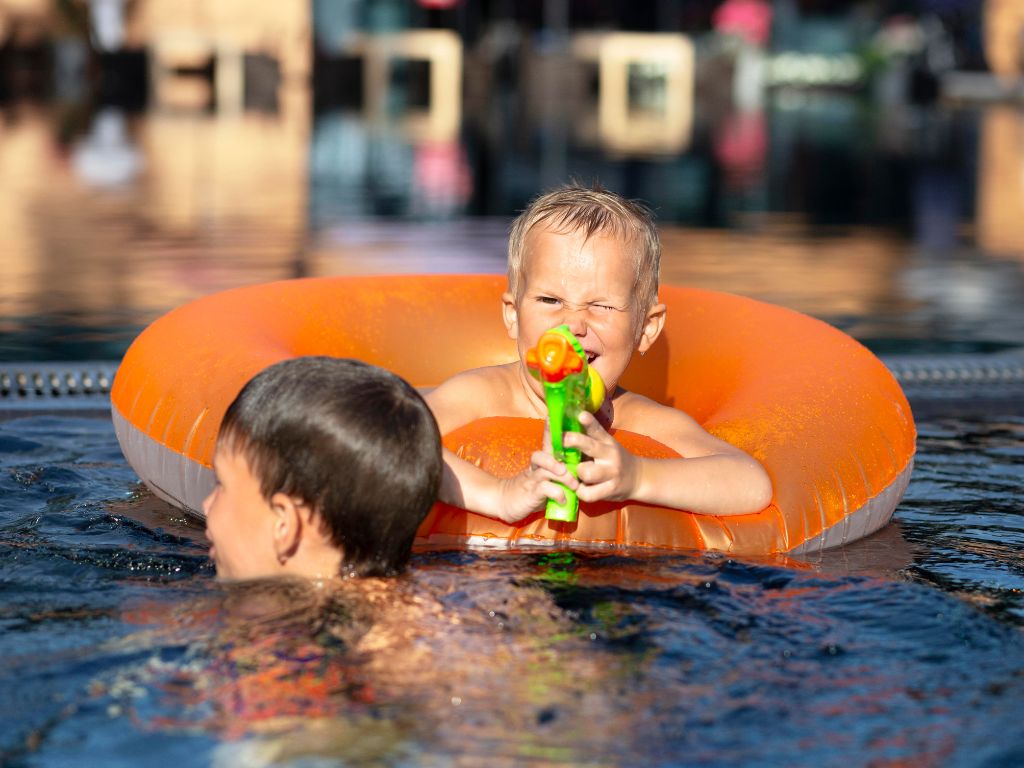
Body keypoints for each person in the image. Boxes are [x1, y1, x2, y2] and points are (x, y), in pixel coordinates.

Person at [426, 183, 773, 523]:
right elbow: (394, 437)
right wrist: (499, 495)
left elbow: (750, 483)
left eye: (602, 306)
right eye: (550, 300)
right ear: (513, 316)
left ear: (646, 328)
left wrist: (638, 476)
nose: (574, 323)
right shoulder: (480, 395)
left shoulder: (639, 420)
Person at [203, 356, 442, 580]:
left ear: (283, 524)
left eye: (220, 485)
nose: (206, 505)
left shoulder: (272, 619)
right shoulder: (421, 610)